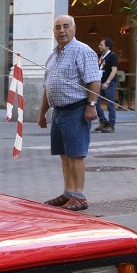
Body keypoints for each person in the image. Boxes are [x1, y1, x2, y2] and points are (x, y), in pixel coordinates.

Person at [37, 14, 101, 212]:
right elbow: (48, 87)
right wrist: (42, 114)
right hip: (59, 112)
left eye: (66, 26)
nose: (62, 30)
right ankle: (68, 193)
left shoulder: (83, 51)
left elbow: (94, 80)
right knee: (64, 154)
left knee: (76, 155)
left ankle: (79, 196)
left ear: (74, 28)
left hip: (76, 110)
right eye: (58, 27)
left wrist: (91, 105)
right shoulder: (54, 54)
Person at [94, 37, 119, 133]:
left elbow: (114, 70)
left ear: (108, 46)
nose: (99, 46)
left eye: (102, 45)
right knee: (96, 102)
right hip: (100, 82)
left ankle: (111, 125)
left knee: (110, 104)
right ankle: (103, 121)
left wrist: (107, 82)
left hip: (109, 83)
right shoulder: (102, 56)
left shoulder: (112, 56)